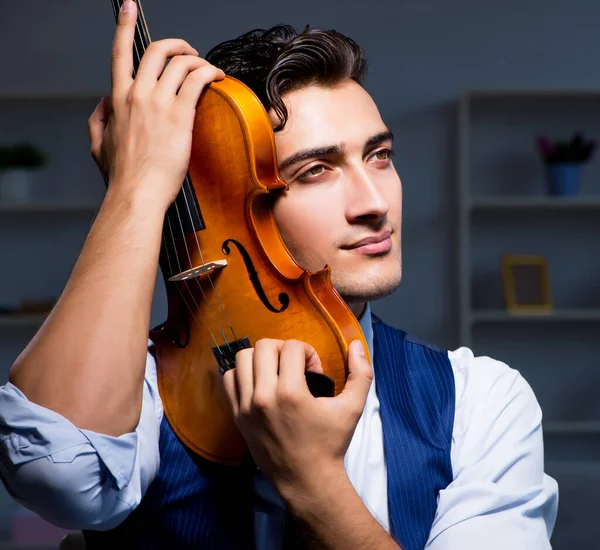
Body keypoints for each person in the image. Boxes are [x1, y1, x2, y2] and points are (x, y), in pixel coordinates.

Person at [0, 1, 558, 549]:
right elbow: (55, 477)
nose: (373, 203)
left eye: (380, 156)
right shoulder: (135, 395)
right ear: (226, 201)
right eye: (315, 171)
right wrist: (136, 188)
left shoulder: (480, 399)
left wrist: (310, 481)